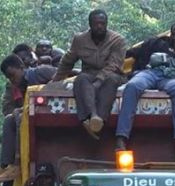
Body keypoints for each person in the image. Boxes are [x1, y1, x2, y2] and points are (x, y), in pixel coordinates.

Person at [115, 22, 175, 161]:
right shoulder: (159, 43)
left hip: (172, 77)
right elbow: (134, 52)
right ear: (170, 34)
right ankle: (121, 138)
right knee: (132, 86)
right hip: (150, 73)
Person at [52, 9, 126, 140]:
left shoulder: (117, 40)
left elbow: (114, 65)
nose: (100, 26)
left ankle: (100, 120)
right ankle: (93, 117)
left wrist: (98, 82)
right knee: (81, 79)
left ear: (106, 24)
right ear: (90, 24)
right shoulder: (80, 40)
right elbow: (68, 61)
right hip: (89, 73)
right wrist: (55, 81)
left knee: (111, 81)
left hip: (111, 74)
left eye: (102, 23)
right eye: (96, 23)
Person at [0, 55, 56, 186]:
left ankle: (17, 162)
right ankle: (6, 166)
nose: (12, 80)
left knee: (20, 118)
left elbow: (66, 75)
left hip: (55, 112)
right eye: (8, 78)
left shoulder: (41, 72)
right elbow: (11, 107)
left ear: (22, 68)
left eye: (12, 75)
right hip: (33, 120)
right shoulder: (16, 88)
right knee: (10, 119)